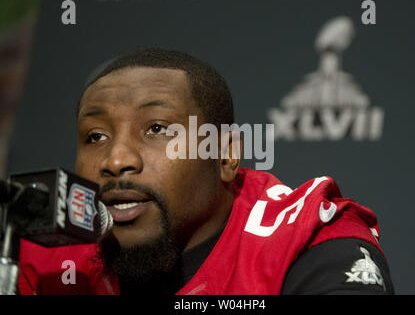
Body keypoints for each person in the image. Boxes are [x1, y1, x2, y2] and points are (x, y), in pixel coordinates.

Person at [18, 48, 394, 295]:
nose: (115, 161)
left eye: (156, 129)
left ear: (226, 155)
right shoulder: (50, 254)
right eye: (95, 136)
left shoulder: (306, 239)